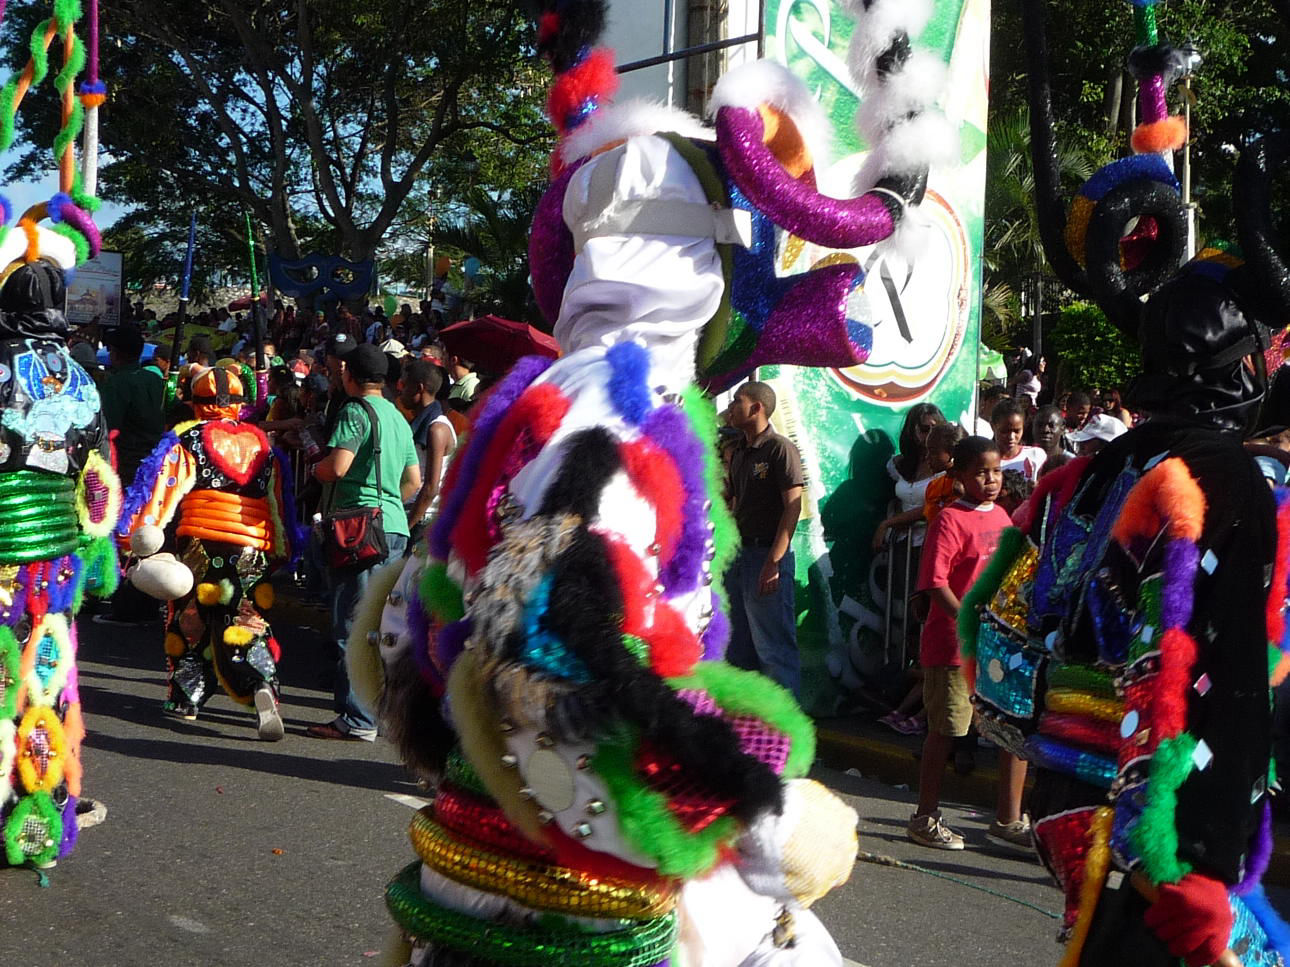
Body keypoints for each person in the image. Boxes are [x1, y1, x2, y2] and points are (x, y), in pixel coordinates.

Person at [0, 262, 122, 870]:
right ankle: (39, 810)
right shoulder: (81, 376)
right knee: (44, 679)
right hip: (54, 561)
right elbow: (96, 474)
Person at [117, 366, 294, 739]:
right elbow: (279, 504)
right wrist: (281, 550)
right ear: (240, 405)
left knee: (190, 618)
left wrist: (132, 539)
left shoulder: (187, 439)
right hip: (252, 545)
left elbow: (161, 494)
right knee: (247, 620)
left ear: (196, 403)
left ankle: (188, 698)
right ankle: (260, 683)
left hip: (201, 542)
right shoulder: (264, 444)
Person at [908, 435, 1028, 850]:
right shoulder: (948, 519)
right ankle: (925, 816)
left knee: (1012, 731)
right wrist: (969, 619)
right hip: (953, 646)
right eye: (981, 472)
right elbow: (935, 582)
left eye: (996, 471)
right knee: (947, 730)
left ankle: (1008, 820)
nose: (991, 480)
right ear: (958, 476)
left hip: (997, 647)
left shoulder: (1002, 517)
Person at [308, 343, 421, 741]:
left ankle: (357, 718)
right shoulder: (398, 417)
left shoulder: (354, 412)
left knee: (351, 623)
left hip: (358, 528)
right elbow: (414, 482)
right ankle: (372, 711)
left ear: (348, 376)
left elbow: (337, 466)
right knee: (377, 625)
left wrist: (315, 467)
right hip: (392, 527)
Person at [724, 380, 805, 696]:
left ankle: (785, 733)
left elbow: (793, 508)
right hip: (739, 556)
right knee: (738, 646)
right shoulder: (739, 452)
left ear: (757, 407)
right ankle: (747, 726)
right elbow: (733, 504)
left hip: (765, 555)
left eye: (737, 401)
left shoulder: (779, 449)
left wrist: (773, 562)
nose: (731, 408)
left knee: (774, 649)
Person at [872, 403, 946, 552]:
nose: (931, 435)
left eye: (935, 429)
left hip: (934, 543)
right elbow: (899, 499)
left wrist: (887, 523)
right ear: (912, 431)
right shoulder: (897, 465)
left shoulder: (947, 466)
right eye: (925, 429)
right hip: (903, 543)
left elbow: (935, 507)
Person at [100, 325, 164, 485]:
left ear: (115, 352)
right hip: (158, 457)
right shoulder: (155, 379)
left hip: (127, 461)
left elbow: (108, 425)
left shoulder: (117, 383)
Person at [398, 358, 456, 533]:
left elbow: (431, 487)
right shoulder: (421, 423)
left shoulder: (436, 429)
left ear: (419, 388)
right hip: (413, 511)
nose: (401, 391)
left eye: (405, 385)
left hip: (422, 518)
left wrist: (406, 527)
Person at [991, 398, 1047, 482]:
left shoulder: (1036, 456)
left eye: (1017, 431)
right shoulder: (985, 461)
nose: (1011, 437)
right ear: (992, 426)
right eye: (1005, 431)